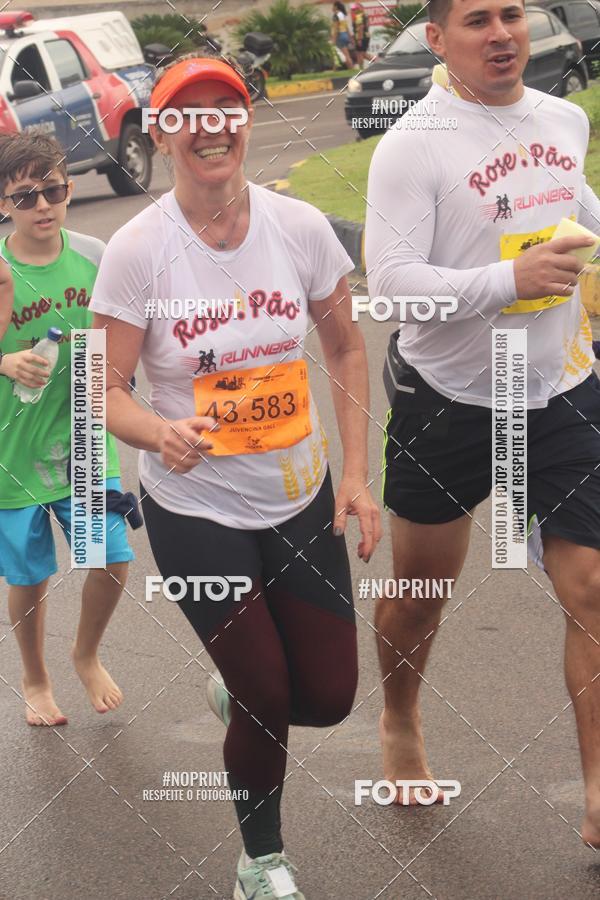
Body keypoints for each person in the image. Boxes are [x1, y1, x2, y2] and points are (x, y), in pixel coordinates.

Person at [90, 55, 381, 898]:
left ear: (247, 121)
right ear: (162, 132)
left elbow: (346, 349)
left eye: (227, 108)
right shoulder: (138, 250)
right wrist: (159, 429)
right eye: (190, 113)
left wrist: (357, 477)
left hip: (298, 494)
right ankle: (262, 860)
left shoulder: (299, 229)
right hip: (196, 506)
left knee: (325, 696)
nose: (211, 124)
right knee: (266, 694)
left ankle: (239, 687)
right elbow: (102, 390)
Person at [366, 0, 600, 846]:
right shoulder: (413, 144)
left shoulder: (563, 117)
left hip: (562, 393)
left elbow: (574, 206)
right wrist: (511, 281)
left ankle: (599, 793)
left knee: (592, 590)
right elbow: (389, 287)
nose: (501, 33)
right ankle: (399, 715)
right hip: (451, 401)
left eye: (512, 14)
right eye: (476, 20)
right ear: (437, 39)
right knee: (422, 595)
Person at [0, 132, 134, 726]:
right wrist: (3, 361)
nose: (42, 206)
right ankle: (34, 676)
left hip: (81, 430)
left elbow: (127, 328)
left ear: (69, 188)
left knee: (109, 555)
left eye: (52, 190)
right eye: (25, 196)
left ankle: (86, 654)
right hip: (14, 445)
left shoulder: (95, 255)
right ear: (4, 202)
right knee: (30, 577)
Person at [332, 1, 355, 70]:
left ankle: (351, 68)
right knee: (344, 54)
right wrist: (350, 37)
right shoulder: (343, 15)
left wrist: (334, 39)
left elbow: (336, 28)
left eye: (333, 6)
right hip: (345, 35)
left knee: (345, 55)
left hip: (339, 35)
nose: (332, 8)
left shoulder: (336, 15)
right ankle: (334, 70)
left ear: (336, 7)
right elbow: (347, 27)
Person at [351, 2, 370, 68]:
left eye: (355, 9)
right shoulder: (364, 15)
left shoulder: (359, 16)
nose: (354, 11)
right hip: (363, 36)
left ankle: (378, 62)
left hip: (362, 37)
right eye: (353, 9)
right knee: (359, 53)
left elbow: (361, 27)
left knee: (362, 54)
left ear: (360, 8)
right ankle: (361, 68)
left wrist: (359, 39)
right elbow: (366, 26)